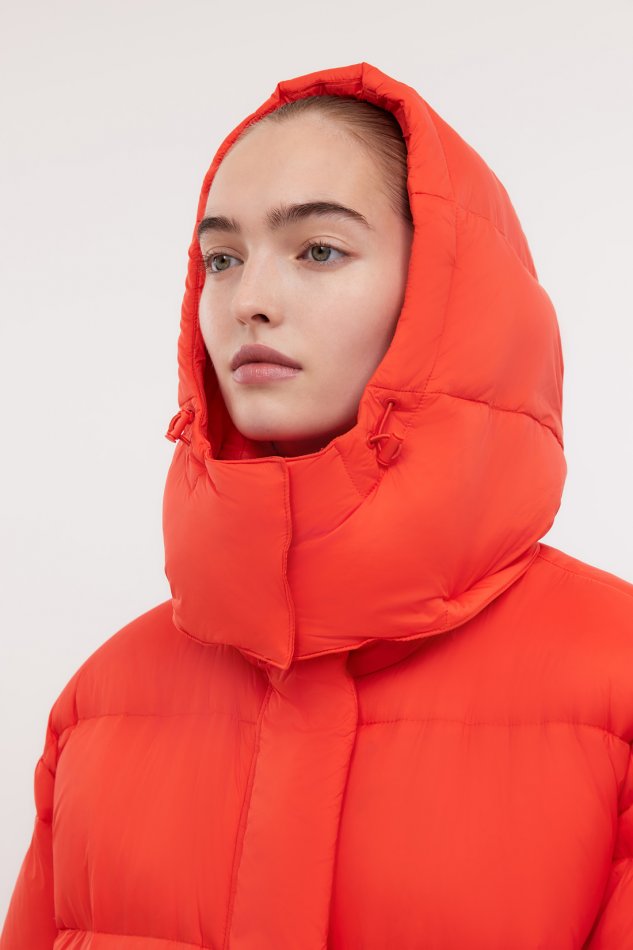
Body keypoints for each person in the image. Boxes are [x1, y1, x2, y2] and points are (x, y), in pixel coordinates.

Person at [1, 60, 632, 950]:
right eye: (222, 259)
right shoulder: (101, 701)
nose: (249, 302)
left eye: (318, 250)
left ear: (446, 291)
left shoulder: (616, 685)